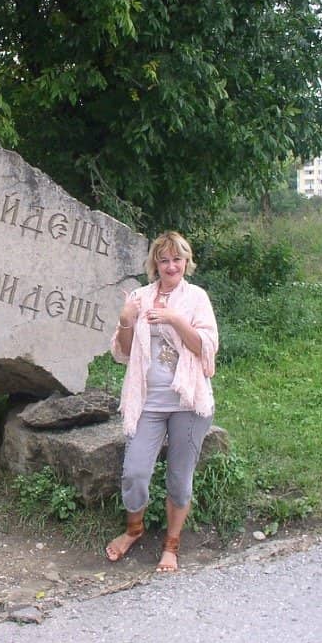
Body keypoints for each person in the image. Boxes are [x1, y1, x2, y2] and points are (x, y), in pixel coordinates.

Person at [104, 231, 219, 572]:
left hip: (188, 403)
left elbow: (205, 348)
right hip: (148, 403)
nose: (171, 266)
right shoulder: (139, 297)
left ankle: (171, 544)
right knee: (135, 473)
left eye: (177, 259)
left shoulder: (197, 298)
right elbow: (122, 353)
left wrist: (174, 319)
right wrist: (127, 320)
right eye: (164, 259)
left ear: (186, 262)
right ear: (155, 263)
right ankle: (134, 530)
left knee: (179, 479)